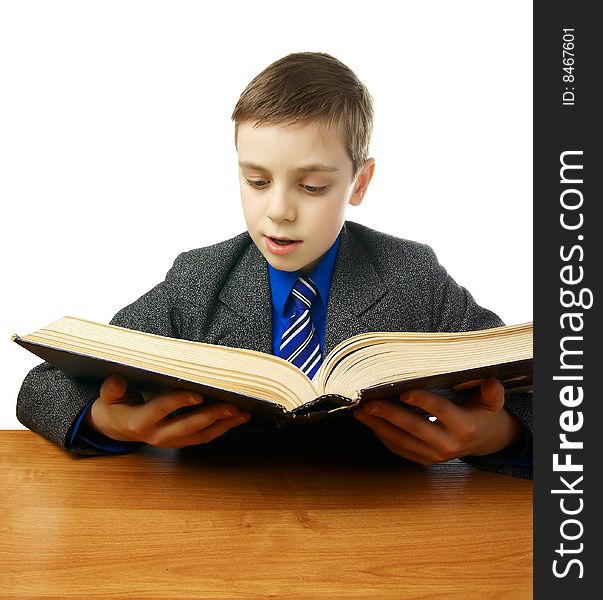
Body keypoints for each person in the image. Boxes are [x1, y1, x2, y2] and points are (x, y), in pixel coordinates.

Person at [16, 51, 532, 479]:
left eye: (312, 187)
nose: (279, 211)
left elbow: (550, 394)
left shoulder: (413, 276)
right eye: (257, 181)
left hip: (386, 533)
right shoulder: (197, 280)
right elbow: (43, 385)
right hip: (216, 532)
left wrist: (500, 435)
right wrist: (110, 423)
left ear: (360, 182)